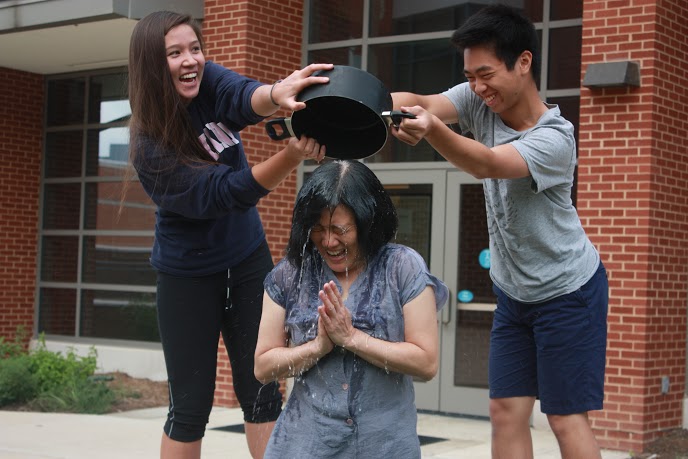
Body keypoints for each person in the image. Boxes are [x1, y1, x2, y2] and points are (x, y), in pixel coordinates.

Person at [390, 5, 608, 459]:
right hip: (515, 293)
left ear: (523, 62)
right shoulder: (477, 100)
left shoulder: (555, 137)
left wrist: (432, 132)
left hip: (568, 291)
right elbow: (425, 104)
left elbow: (487, 164)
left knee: (565, 417)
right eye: (469, 76)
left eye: (485, 73)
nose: (476, 87)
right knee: (505, 408)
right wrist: (355, 100)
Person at [127, 10, 333, 459]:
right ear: (150, 64)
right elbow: (223, 193)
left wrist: (276, 93)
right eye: (175, 53)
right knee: (190, 406)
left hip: (246, 260)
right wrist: (291, 156)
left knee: (261, 390)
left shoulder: (207, 83)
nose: (190, 60)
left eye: (195, 48)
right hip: (188, 275)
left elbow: (242, 96)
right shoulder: (148, 145)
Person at [254, 159, 448, 458]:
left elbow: (426, 362)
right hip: (304, 445)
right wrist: (318, 347)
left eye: (339, 229)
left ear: (368, 222)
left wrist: (352, 338)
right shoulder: (291, 274)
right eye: (317, 228)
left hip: (384, 446)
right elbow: (263, 367)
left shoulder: (402, 268)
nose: (328, 241)